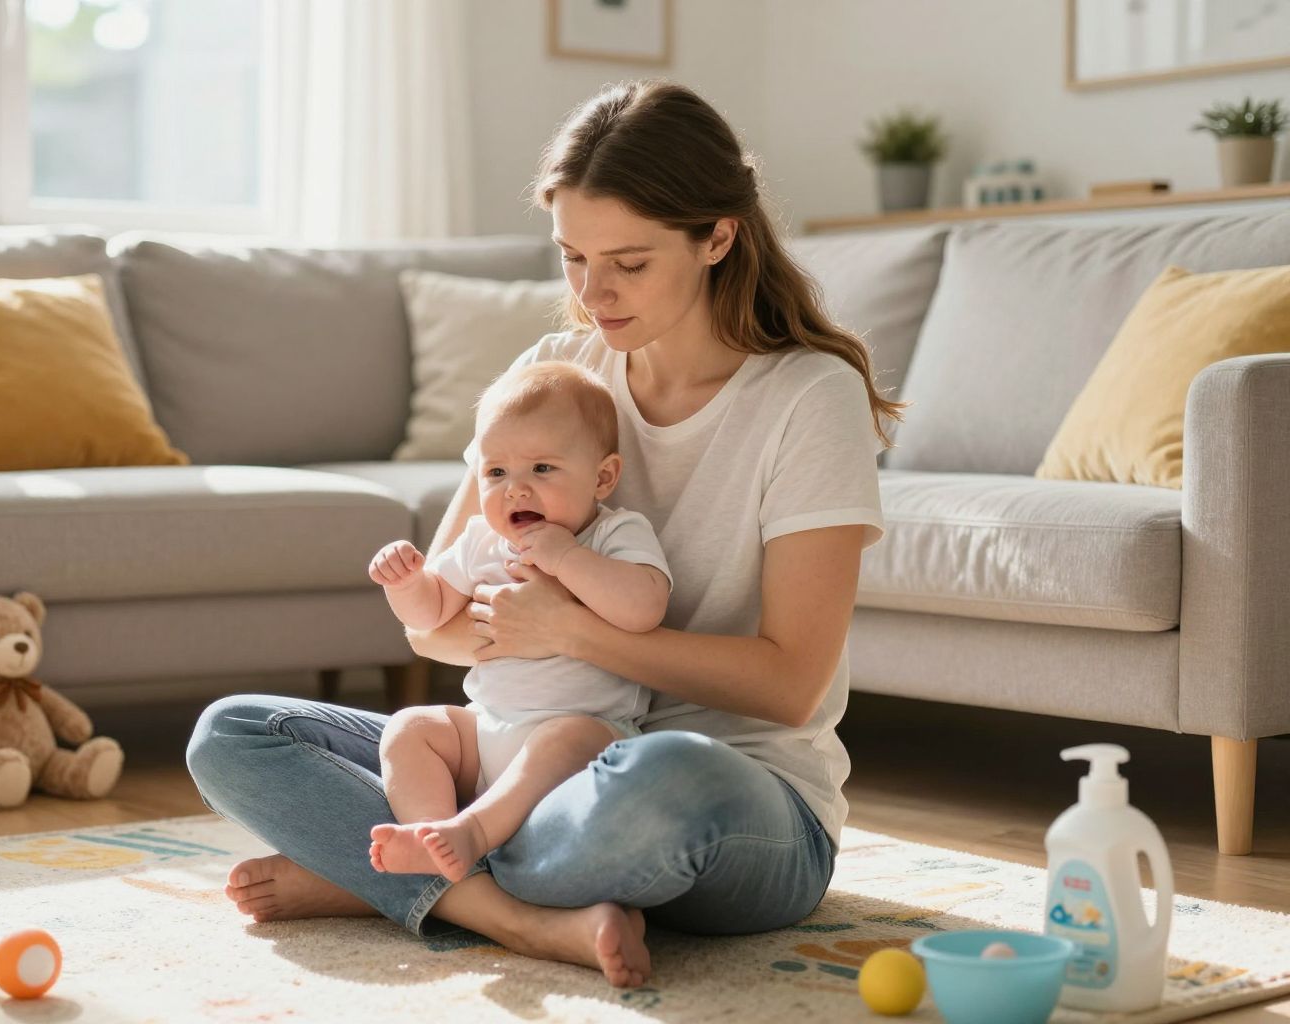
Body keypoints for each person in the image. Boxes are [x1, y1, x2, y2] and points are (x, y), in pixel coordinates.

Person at [187, 78, 901, 990]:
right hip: (516, 760)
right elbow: (434, 625)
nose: (594, 293)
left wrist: (574, 632)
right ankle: (510, 914)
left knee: (666, 773)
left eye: (630, 263)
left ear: (718, 236)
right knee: (234, 733)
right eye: (572, 257)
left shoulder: (809, 396)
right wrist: (447, 608)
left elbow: (792, 686)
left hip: (723, 796)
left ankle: (378, 875)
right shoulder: (553, 375)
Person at [366, 360, 671, 884]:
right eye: (496, 472)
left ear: (603, 477)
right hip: (485, 734)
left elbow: (644, 609)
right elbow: (432, 615)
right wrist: (406, 584)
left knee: (565, 738)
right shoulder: (482, 539)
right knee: (409, 728)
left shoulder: (613, 535)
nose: (515, 490)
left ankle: (475, 833)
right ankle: (434, 836)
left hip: (586, 739)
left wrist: (566, 559)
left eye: (542, 469)